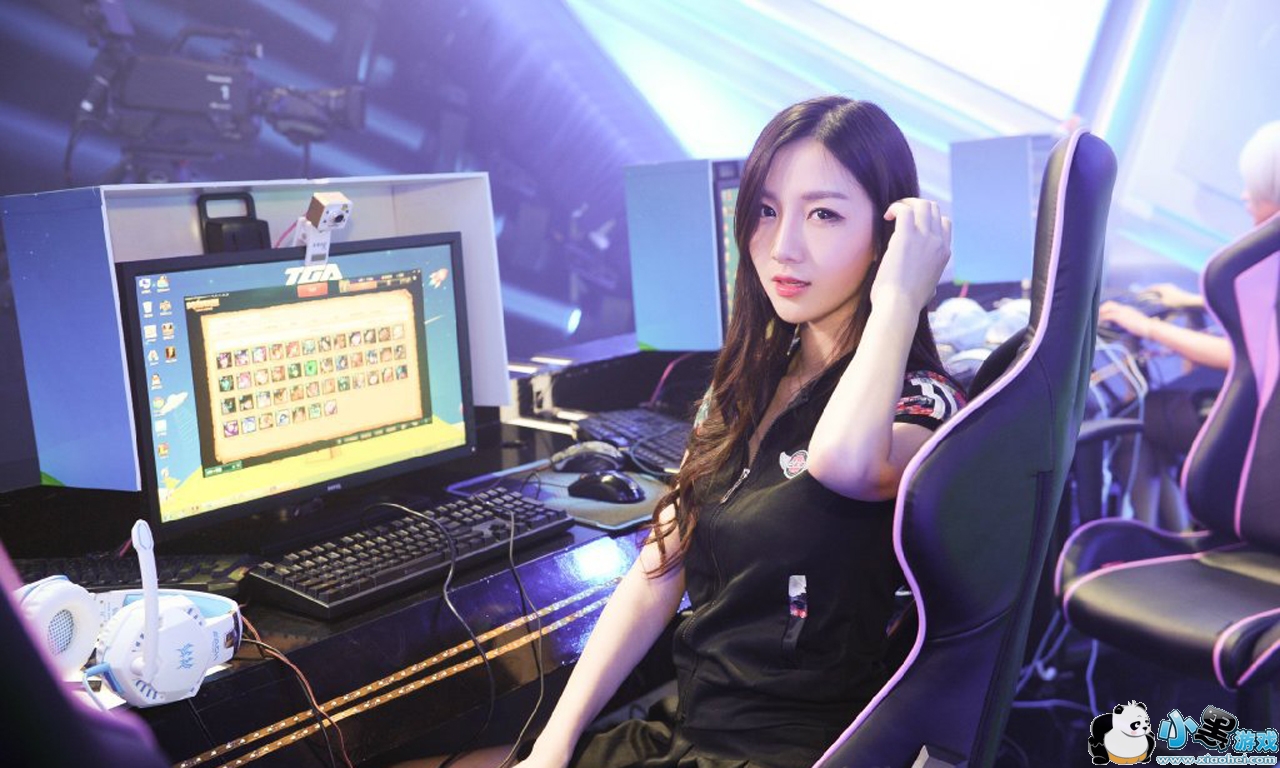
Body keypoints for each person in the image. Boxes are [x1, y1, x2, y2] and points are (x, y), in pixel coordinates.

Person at [402, 96, 965, 768]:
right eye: (766, 210)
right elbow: (658, 567)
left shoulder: (923, 403)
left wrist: (899, 296)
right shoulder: (750, 382)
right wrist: (554, 744)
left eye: (824, 214)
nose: (783, 245)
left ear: (885, 240)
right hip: (689, 732)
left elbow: (842, 463)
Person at [1094, 120, 1280, 526]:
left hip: (1264, 434)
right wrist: (1194, 301)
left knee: (1136, 418)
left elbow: (1239, 356)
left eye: (1254, 187)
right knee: (1154, 425)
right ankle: (1167, 532)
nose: (1244, 195)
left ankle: (1149, 536)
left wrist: (1150, 328)